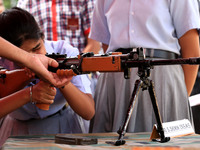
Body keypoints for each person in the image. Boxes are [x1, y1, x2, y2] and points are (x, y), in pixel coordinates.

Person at [89, 0, 200, 133]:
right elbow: (106, 45)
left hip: (162, 79)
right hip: (116, 81)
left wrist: (178, 99)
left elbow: (192, 52)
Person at [0, 7, 95, 146]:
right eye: (24, 57)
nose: (36, 59)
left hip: (63, 128)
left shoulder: (64, 52)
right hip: (17, 132)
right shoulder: (3, 62)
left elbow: (88, 112)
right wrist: (30, 92)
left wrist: (60, 80)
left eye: (37, 48)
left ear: (42, 37)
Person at [17, 0, 101, 54]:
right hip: (39, 73)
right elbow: (22, 47)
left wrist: (75, 68)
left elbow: (94, 43)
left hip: (79, 71)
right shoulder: (25, 2)